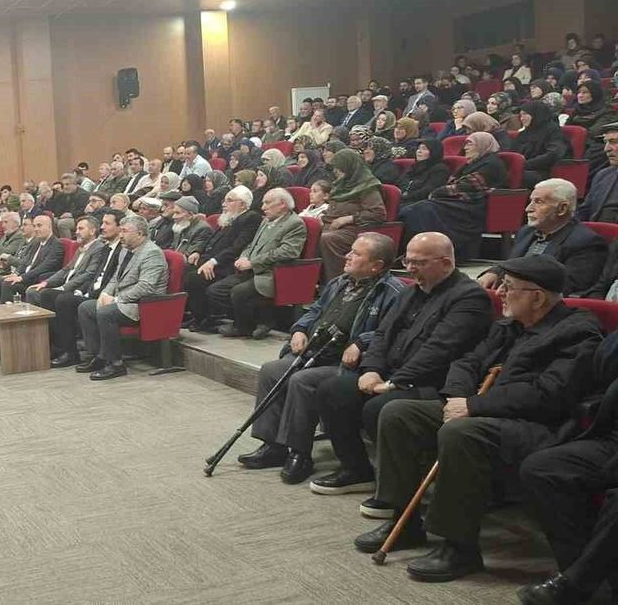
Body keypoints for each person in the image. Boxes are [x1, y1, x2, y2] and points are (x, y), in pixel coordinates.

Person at [352, 256, 602, 583]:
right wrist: (458, 399)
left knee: (462, 432)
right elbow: (465, 363)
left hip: (541, 426)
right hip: (482, 410)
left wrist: (473, 405)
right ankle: (405, 521)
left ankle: (459, 546)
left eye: (508, 287)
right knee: (399, 413)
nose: (499, 293)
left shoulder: (577, 332)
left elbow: (548, 395)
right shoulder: (509, 326)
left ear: (537, 297)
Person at [312, 233, 493, 500]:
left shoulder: (469, 298)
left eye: (418, 263)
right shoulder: (412, 291)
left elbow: (440, 350)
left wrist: (393, 382)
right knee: (333, 390)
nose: (410, 268)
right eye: (407, 261)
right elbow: (382, 335)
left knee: (379, 407)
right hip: (390, 374)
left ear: (445, 263)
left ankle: (397, 488)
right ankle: (356, 469)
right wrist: (371, 369)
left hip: (432, 382)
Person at [237, 233, 404, 484]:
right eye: (350, 250)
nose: (347, 256)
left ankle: (299, 452)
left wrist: (361, 342)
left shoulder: (394, 292)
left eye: (356, 253)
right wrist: (299, 330)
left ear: (376, 265)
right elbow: (314, 311)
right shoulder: (339, 283)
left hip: (350, 364)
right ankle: (273, 446)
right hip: (317, 352)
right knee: (272, 370)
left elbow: (392, 331)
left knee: (302, 380)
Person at [518, 344, 618, 605]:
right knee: (542, 469)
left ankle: (575, 582)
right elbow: (605, 362)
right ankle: (592, 576)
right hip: (612, 440)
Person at [76, 215, 169, 381]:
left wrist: (116, 299)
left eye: (125, 231)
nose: (121, 235)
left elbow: (146, 287)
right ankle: (97, 356)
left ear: (139, 233)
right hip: (124, 301)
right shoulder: (126, 250)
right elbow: (115, 278)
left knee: (105, 313)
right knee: (86, 307)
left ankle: (115, 364)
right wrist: (106, 293)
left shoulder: (152, 253)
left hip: (145, 305)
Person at [475, 179, 606, 297]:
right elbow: (513, 264)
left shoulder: (586, 242)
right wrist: (494, 272)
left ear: (562, 209)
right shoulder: (526, 231)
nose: (528, 209)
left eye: (538, 202)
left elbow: (565, 287)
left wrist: (516, 288)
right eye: (531, 201)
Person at [210, 188, 307, 339]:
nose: (263, 207)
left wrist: (253, 263)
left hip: (272, 273)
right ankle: (258, 320)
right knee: (215, 290)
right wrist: (244, 257)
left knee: (238, 292)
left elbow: (287, 252)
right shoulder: (266, 220)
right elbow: (252, 244)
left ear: (282, 204)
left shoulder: (295, 224)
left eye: (267, 203)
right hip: (251, 269)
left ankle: (244, 327)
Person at [399, 132, 507, 262]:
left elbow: (468, 186)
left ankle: (429, 252)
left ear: (482, 145)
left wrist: (439, 191)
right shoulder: (471, 163)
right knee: (414, 209)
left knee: (420, 209)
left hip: (473, 205)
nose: (465, 147)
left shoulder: (492, 164)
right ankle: (410, 252)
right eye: (466, 144)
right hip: (458, 202)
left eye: (470, 144)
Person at [30, 213, 114, 368]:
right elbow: (66, 269)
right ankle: (57, 346)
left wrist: (64, 288)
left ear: (92, 231)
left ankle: (70, 352)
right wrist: (47, 282)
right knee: (45, 293)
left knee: (62, 299)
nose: (76, 232)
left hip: (80, 289)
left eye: (81, 229)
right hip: (69, 286)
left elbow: (89, 274)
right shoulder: (81, 248)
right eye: (76, 229)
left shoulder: (98, 248)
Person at [183, 186, 263, 330]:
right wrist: (198, 251)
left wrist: (213, 262)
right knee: (185, 269)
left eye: (229, 200)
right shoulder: (229, 217)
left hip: (227, 264)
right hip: (211, 259)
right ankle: (197, 315)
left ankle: (206, 318)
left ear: (242, 204)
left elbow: (237, 247)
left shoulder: (251, 218)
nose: (224, 204)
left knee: (194, 278)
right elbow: (212, 239)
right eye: (224, 200)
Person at [319, 149, 386, 284]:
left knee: (327, 238)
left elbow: (378, 213)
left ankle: (337, 283)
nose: (336, 172)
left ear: (349, 167)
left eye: (339, 168)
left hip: (354, 229)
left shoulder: (367, 186)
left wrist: (349, 218)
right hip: (331, 225)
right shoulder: (340, 185)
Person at [0, 214, 63, 303]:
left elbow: (44, 267)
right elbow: (25, 262)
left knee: (8, 284)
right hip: (26, 277)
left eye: (39, 226)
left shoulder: (56, 245)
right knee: (3, 280)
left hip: (36, 280)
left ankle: (7, 310)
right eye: (34, 226)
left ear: (49, 227)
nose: (36, 229)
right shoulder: (36, 242)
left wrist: (22, 277)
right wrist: (16, 273)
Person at [513, 100, 570, 189]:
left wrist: (525, 165)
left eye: (525, 114)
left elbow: (553, 154)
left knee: (516, 176)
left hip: (544, 171)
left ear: (536, 114)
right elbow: (513, 151)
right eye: (520, 115)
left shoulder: (553, 131)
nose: (522, 118)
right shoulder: (524, 133)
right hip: (524, 168)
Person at [569, 80, 618, 175]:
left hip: (594, 145)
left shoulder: (608, 112)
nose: (580, 95)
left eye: (585, 92)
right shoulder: (576, 112)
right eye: (579, 92)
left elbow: (594, 132)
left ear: (595, 94)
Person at [578, 122, 618, 223]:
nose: (606, 149)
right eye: (606, 142)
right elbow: (584, 212)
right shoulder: (603, 175)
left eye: (613, 142)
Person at [397, 139, 449, 207]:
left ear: (434, 152)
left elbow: (428, 190)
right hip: (404, 199)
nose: (419, 151)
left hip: (422, 203)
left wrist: (406, 196)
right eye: (418, 148)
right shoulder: (414, 167)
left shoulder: (440, 169)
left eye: (424, 149)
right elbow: (400, 182)